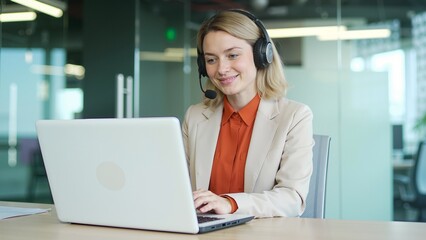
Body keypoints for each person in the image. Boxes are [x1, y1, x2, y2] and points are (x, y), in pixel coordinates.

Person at [182, 9, 314, 218]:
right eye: (211, 60)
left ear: (262, 55)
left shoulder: (294, 116)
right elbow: (178, 188)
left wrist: (230, 203)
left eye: (233, 55)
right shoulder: (195, 117)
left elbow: (292, 199)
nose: (222, 69)